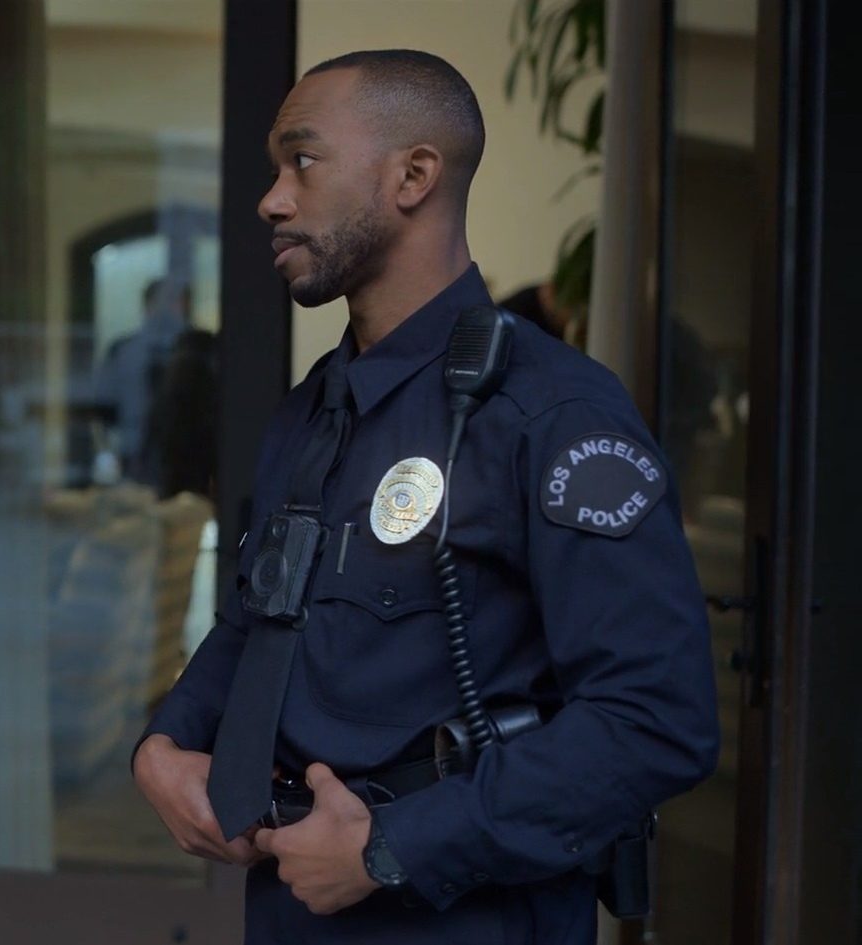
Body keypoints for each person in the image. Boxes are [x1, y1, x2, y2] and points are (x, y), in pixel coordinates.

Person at [132, 49, 717, 943]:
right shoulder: (312, 410)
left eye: (303, 160)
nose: (273, 199)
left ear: (414, 176)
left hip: (465, 914)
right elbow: (261, 618)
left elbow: (655, 718)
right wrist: (163, 745)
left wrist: (389, 848)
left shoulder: (552, 413)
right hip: (291, 905)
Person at [94, 279, 194, 485]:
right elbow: (104, 409)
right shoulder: (121, 351)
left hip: (186, 460)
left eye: (175, 304)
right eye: (163, 304)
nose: (167, 315)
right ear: (148, 307)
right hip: (132, 455)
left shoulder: (197, 354)